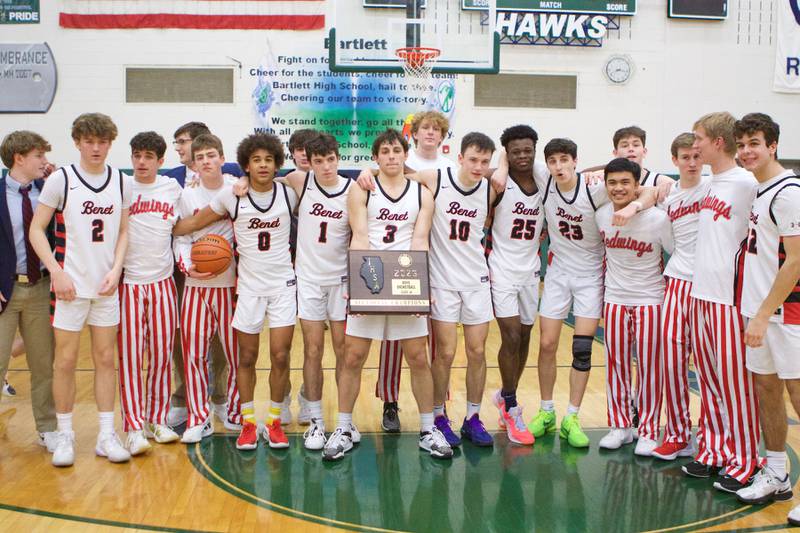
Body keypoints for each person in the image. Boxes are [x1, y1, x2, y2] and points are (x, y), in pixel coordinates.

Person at [495, 138, 656, 448]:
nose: (558, 167)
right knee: (546, 343)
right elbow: (508, 151)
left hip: (589, 278)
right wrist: (502, 166)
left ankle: (573, 416)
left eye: (564, 160)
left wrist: (634, 203)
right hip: (556, 274)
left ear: (575, 161)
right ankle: (546, 411)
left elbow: (648, 190)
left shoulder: (595, 189)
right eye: (553, 161)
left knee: (582, 349)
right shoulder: (544, 179)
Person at [322, 129, 452, 461]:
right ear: (375, 157)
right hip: (371, 278)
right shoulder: (361, 190)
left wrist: (422, 290)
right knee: (353, 357)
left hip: (406, 280)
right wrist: (356, 287)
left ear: (405, 155)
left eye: (396, 150)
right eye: (385, 151)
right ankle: (345, 427)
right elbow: (360, 237)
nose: (391, 155)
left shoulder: (422, 194)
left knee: (418, 358)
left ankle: (426, 428)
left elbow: (420, 241)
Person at [175, 132, 296, 450]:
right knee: (246, 356)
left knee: (281, 355)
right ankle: (246, 421)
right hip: (249, 287)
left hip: (283, 284)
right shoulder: (232, 196)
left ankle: (273, 421)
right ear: (246, 164)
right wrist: (168, 229)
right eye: (256, 160)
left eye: (269, 159)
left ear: (277, 163)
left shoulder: (289, 194)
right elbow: (194, 223)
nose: (263, 165)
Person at [29, 113, 132, 466]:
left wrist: (117, 269)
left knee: (106, 360)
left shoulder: (121, 181)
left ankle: (106, 434)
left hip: (105, 288)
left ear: (110, 143)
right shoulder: (61, 179)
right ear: (77, 142)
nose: (96, 147)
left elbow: (122, 232)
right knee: (66, 362)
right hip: (70, 287)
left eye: (102, 141)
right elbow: (36, 230)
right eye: (89, 141)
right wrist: (56, 272)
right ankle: (66, 435)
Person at [682, 111, 760, 493]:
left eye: (698, 138)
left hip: (730, 299)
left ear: (716, 142)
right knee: (709, 381)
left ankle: (747, 459)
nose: (693, 145)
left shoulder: (747, 184)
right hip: (701, 294)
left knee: (735, 385)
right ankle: (714, 449)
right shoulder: (713, 183)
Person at [732, 113, 800, 524]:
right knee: (767, 391)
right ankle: (776, 472)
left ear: (773, 145)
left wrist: (761, 315)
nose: (746, 151)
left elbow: (795, 262)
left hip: (787, 314)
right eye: (741, 145)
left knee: (797, 395)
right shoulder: (761, 190)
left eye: (754, 143)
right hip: (761, 312)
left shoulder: (789, 192)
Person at [375, 111, 455, 433]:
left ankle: (438, 406)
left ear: (443, 135)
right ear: (415, 134)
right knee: (393, 337)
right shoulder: (399, 168)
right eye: (425, 128)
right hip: (404, 260)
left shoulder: (452, 169)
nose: (431, 133)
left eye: (437, 129)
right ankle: (390, 401)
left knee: (435, 341)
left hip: (444, 259)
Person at [164, 121, 240, 428]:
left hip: (231, 285)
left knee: (234, 353)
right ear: (194, 163)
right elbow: (179, 237)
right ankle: (198, 416)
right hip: (195, 284)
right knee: (192, 352)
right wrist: (186, 265)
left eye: (212, 155)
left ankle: (233, 410)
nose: (206, 161)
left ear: (222, 158)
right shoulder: (186, 195)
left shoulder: (236, 188)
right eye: (201, 157)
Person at [595, 157, 673, 454]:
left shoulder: (657, 218)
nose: (618, 188)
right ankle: (620, 426)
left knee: (651, 367)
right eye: (612, 182)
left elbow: (674, 254)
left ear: (637, 185)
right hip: (614, 299)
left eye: (625, 182)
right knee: (615, 364)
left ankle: (649, 430)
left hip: (650, 300)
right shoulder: (601, 215)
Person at [282, 133, 351, 450]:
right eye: (318, 161)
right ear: (309, 161)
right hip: (308, 279)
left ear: (338, 158)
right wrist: (241, 184)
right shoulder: (300, 181)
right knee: (312, 350)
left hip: (341, 280)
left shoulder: (353, 189)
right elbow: (262, 179)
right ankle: (315, 422)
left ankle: (344, 424)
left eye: (330, 159)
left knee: (343, 352)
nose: (325, 166)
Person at [117, 131, 183, 454]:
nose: (141, 162)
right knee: (131, 359)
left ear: (161, 160)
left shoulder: (172, 188)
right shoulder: (121, 186)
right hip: (129, 283)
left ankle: (157, 419)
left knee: (161, 355)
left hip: (163, 282)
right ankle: (132, 426)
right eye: (137, 156)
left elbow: (187, 224)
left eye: (148, 157)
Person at [487, 124, 547, 446]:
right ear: (507, 153)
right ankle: (511, 404)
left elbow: (581, 170)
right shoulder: (497, 180)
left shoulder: (543, 179)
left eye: (527, 150)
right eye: (515, 151)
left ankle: (505, 394)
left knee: (524, 337)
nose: (522, 156)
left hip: (530, 270)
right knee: (510, 335)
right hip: (501, 269)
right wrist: (499, 161)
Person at [651, 133, 709, 461]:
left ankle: (715, 437)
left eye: (696, 157)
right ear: (674, 161)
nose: (691, 163)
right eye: (684, 157)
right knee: (672, 361)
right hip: (678, 281)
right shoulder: (668, 199)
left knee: (709, 364)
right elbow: (669, 243)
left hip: (713, 285)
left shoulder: (716, 186)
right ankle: (677, 433)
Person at [0, 130, 57, 452]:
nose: (45, 162)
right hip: (5, 290)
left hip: (40, 288)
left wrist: (55, 177)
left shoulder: (48, 192)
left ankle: (47, 428)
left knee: (42, 364)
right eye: (39, 156)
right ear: (19, 158)